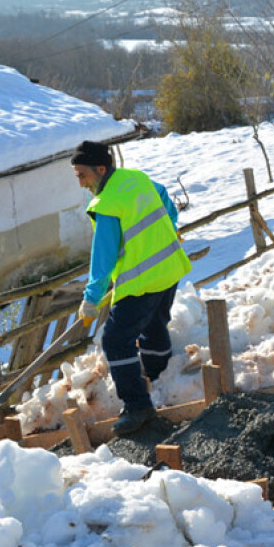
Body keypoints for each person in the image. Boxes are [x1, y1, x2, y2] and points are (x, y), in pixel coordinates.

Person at [72, 140, 191, 435]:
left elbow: (103, 257)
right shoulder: (135, 178)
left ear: (100, 169)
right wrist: (170, 228)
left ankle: (138, 406)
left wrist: (91, 299)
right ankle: (159, 376)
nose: (80, 182)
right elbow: (163, 195)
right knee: (153, 325)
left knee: (115, 340)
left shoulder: (107, 204)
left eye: (82, 175)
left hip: (142, 282)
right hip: (170, 269)